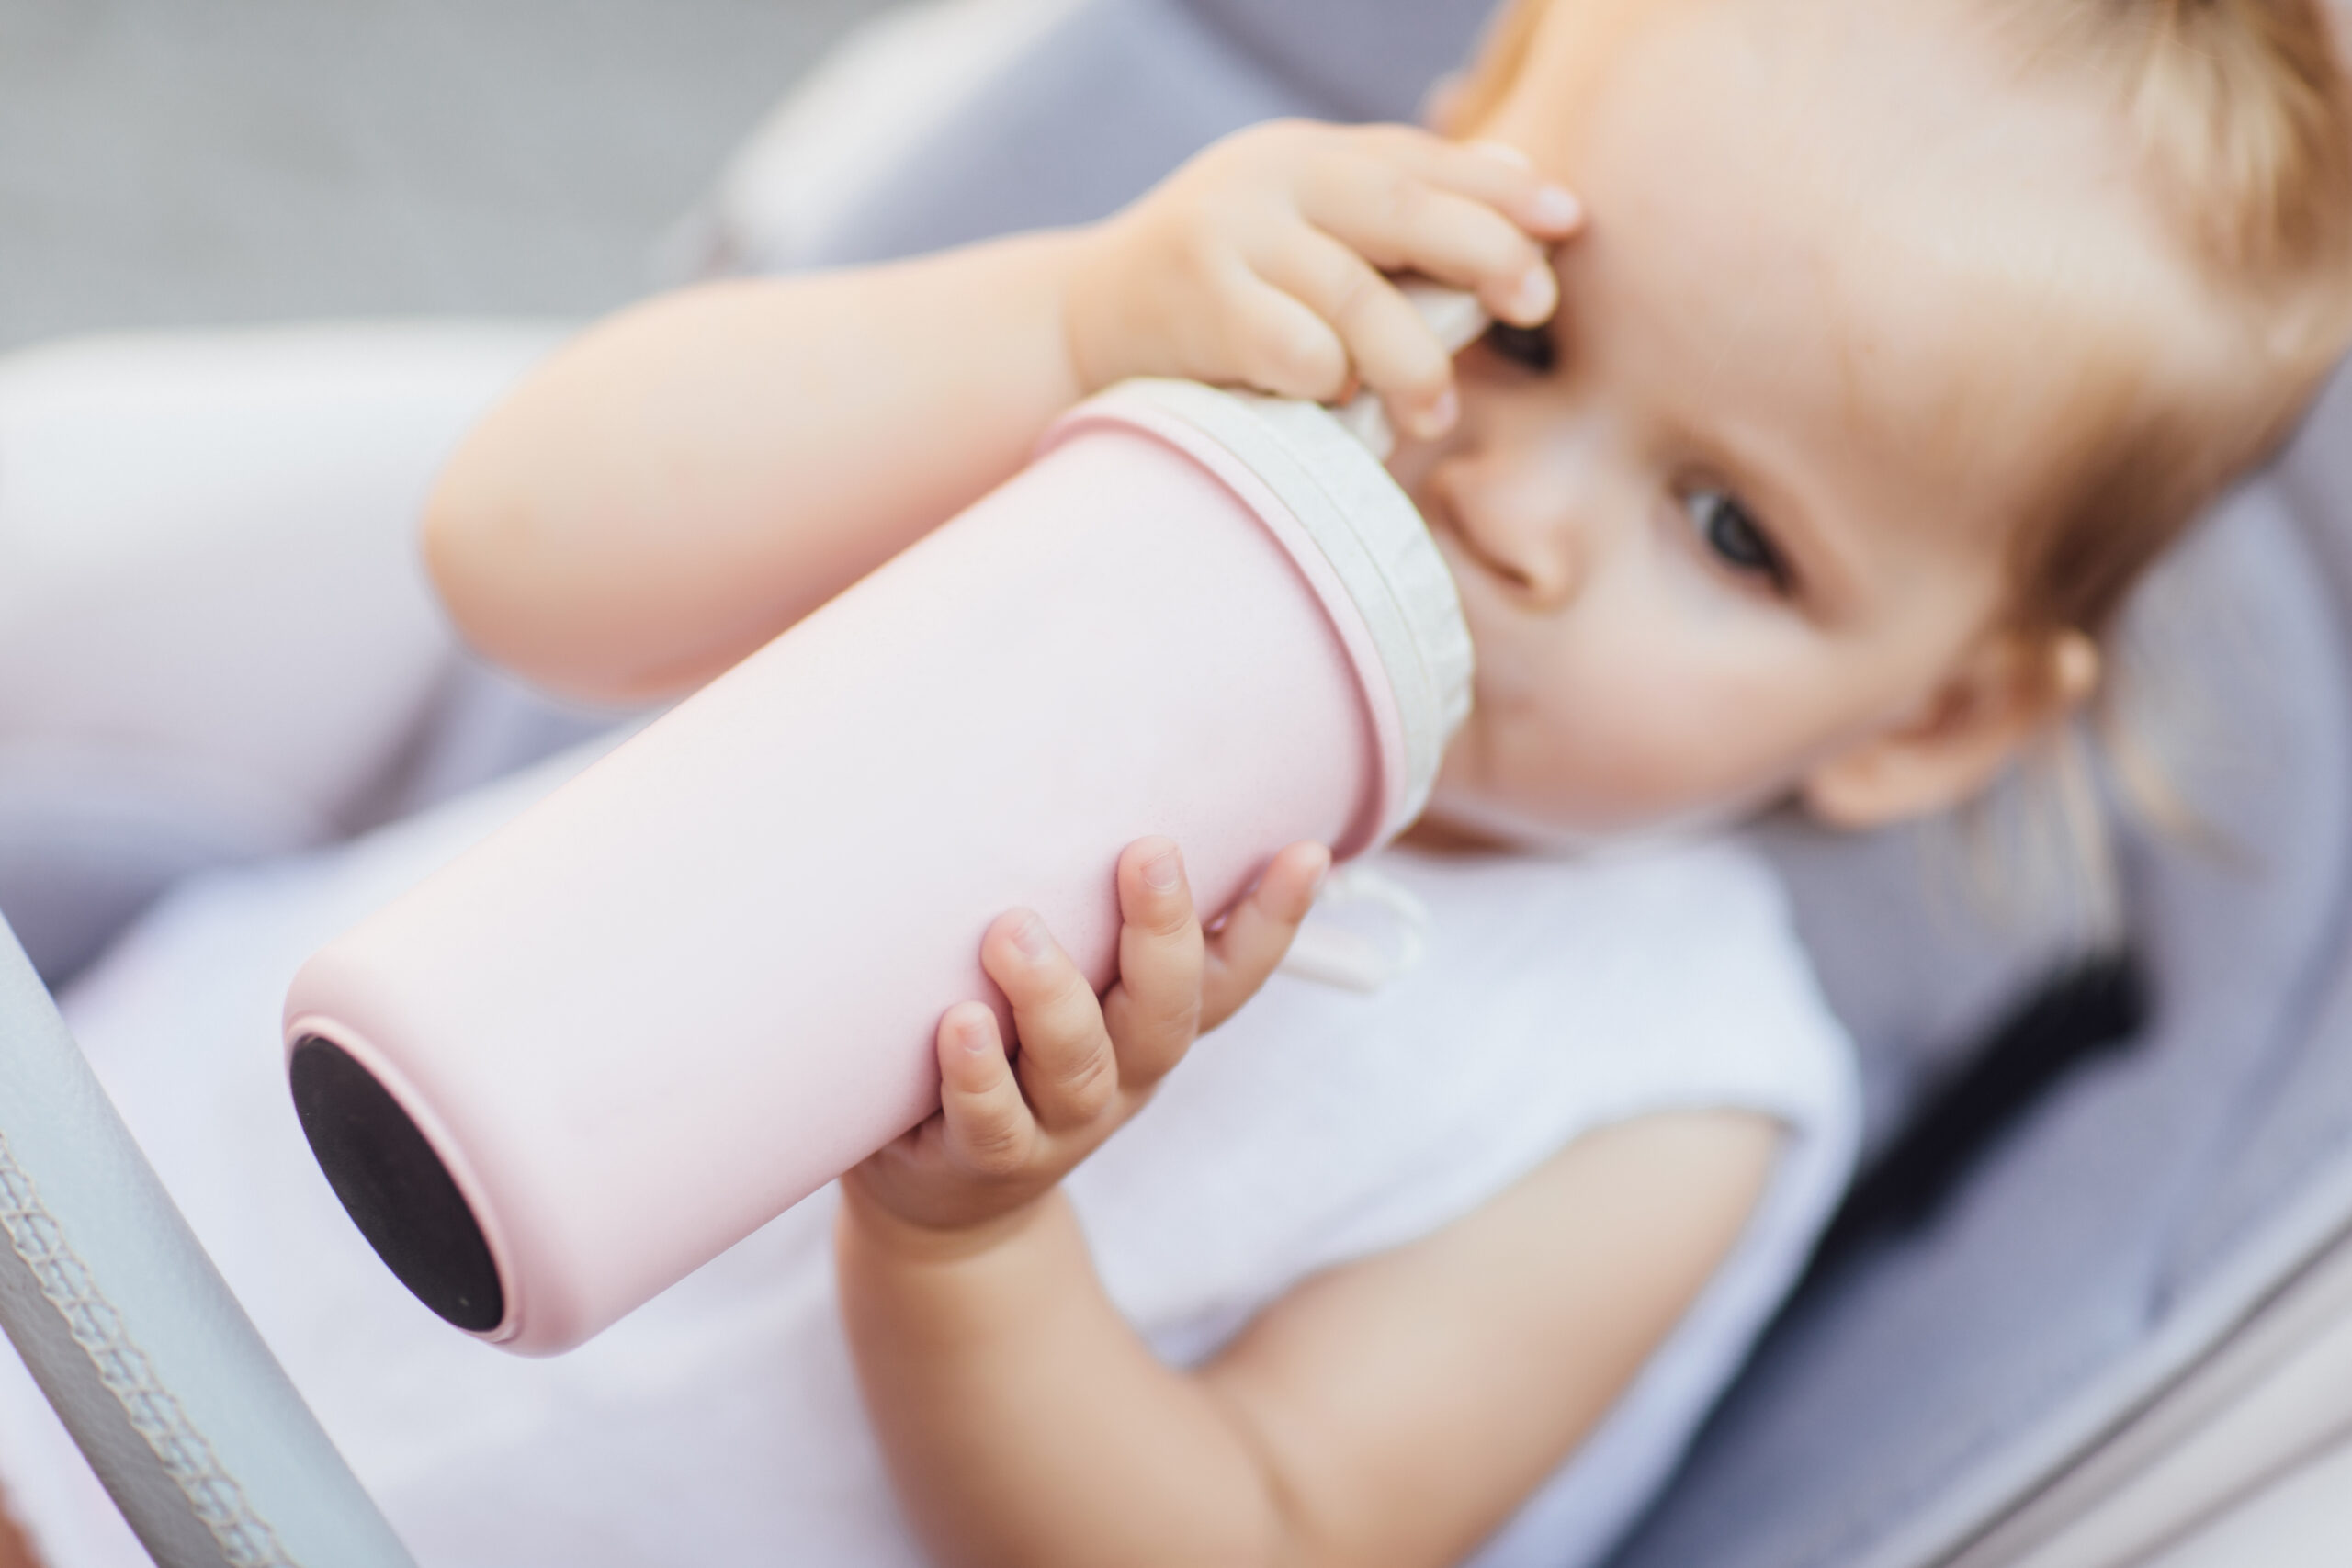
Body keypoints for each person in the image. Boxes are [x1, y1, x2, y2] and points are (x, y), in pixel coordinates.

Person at [1, 0, 2346, 1564]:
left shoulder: (1662, 1081)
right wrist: (1062, 327)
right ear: (1422, 184)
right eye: (1525, 325)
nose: (1508, 504)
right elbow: (511, 555)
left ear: (1926, 715)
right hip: (114, 1196)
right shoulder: (1133, 446)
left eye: (1729, 531)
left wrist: (971, 1252)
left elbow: (1255, 1532)